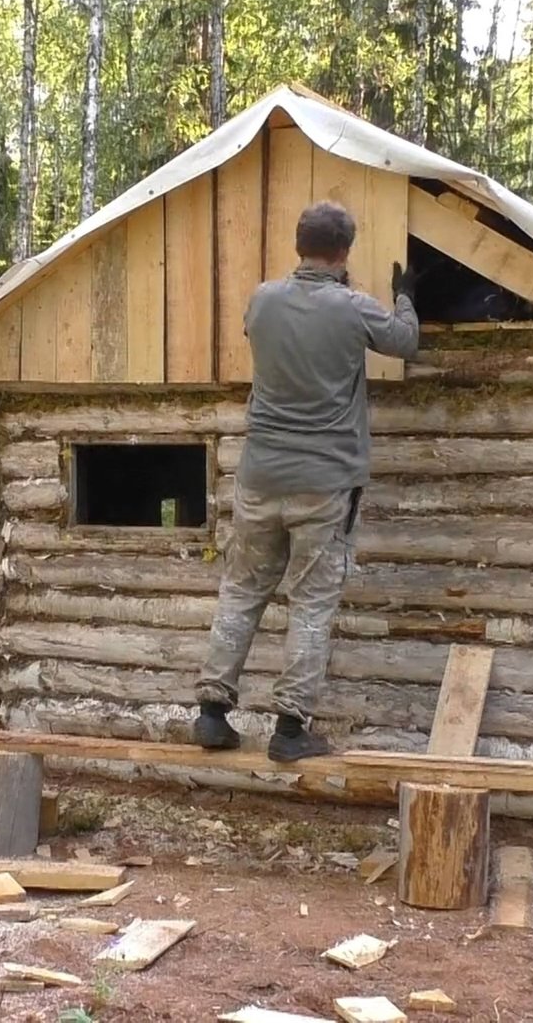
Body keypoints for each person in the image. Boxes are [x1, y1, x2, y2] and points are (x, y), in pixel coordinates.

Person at [193, 201, 421, 761]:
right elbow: (404, 341)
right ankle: (291, 730)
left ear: (299, 245)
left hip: (260, 476)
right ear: (345, 251)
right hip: (324, 482)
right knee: (312, 603)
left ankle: (212, 713)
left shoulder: (262, 299)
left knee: (241, 590)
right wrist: (405, 295)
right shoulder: (353, 307)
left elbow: (270, 332)